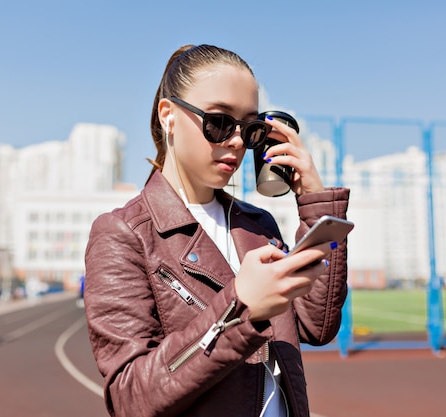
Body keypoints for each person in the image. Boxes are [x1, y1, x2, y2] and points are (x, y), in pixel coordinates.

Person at [84, 44, 350, 417]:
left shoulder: (258, 225)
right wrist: (241, 307)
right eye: (220, 122)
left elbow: (316, 324)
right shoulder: (123, 234)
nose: (238, 141)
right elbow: (130, 396)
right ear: (169, 116)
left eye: (251, 129)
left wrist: (314, 200)